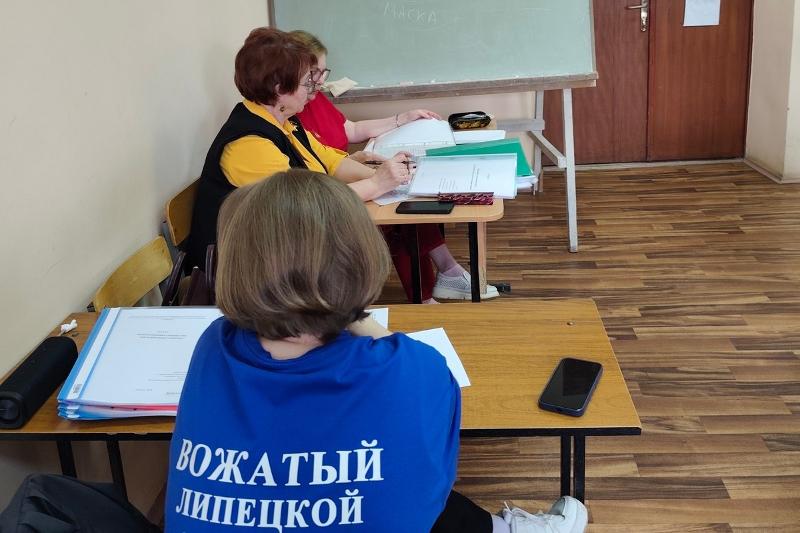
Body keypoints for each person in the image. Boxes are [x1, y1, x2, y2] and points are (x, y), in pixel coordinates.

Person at [165, 169, 588, 532]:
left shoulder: (213, 346)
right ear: (364, 257)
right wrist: (351, 311)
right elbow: (431, 477)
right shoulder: (414, 368)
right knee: (405, 481)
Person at [185, 27, 497, 304]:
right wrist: (377, 183)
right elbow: (304, 206)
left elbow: (331, 162)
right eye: (307, 83)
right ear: (279, 88)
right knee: (367, 239)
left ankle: (423, 296)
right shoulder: (249, 143)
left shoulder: (283, 121)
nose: (313, 89)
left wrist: (388, 177)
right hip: (248, 269)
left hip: (282, 243)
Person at [290, 30, 499, 304]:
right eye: (314, 74)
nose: (320, 81)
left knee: (403, 191)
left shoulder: (314, 99)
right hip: (333, 193)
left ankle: (445, 273)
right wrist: (372, 174)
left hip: (346, 175)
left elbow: (350, 130)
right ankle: (429, 292)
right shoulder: (291, 113)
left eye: (322, 72)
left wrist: (402, 118)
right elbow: (316, 175)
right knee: (401, 212)